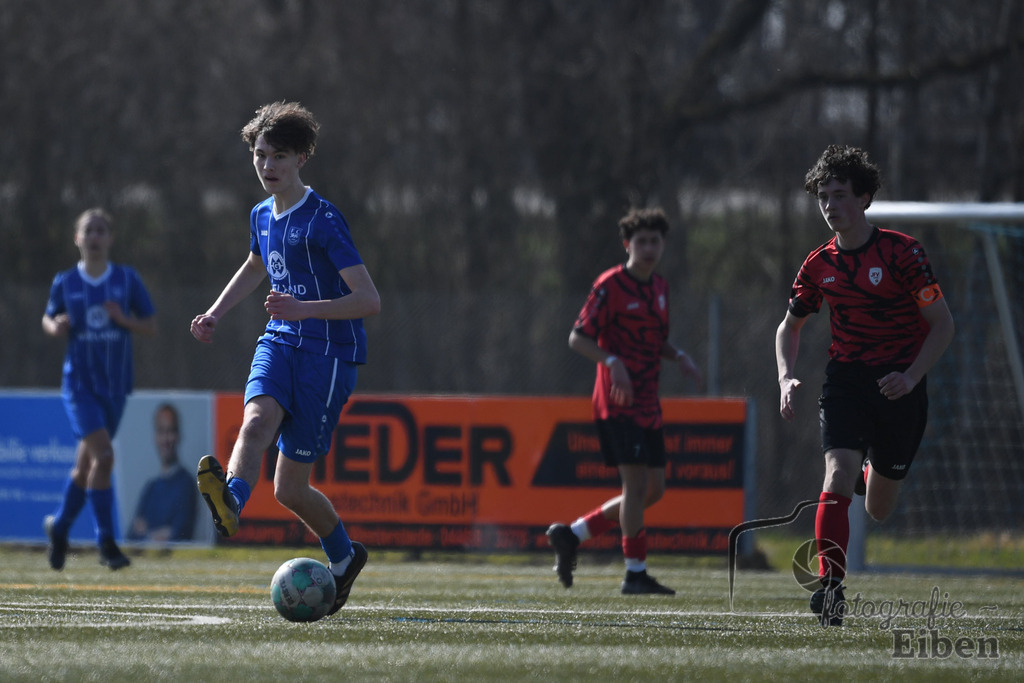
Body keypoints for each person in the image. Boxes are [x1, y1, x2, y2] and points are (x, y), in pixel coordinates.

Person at [191, 101, 380, 615]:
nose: (266, 165)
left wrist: (302, 307)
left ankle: (344, 558)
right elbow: (255, 265)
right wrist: (215, 313)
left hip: (328, 354)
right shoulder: (259, 215)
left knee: (290, 490)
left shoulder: (323, 219)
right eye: (259, 154)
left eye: (278, 155)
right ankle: (229, 501)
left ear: (301, 158)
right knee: (254, 421)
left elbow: (368, 300)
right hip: (279, 340)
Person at [775, 145, 955, 626]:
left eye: (839, 195)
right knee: (835, 475)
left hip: (901, 380)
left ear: (865, 199)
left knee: (878, 508)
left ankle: (873, 469)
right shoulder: (818, 265)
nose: (830, 206)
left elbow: (942, 326)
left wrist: (912, 375)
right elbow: (788, 328)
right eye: (823, 198)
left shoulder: (903, 252)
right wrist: (785, 376)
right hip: (847, 380)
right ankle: (830, 586)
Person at [546, 207, 703, 595]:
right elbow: (578, 337)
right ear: (627, 244)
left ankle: (573, 534)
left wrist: (678, 355)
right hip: (617, 402)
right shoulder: (610, 285)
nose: (649, 247)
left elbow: (653, 339)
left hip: (648, 402)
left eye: (655, 240)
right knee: (635, 487)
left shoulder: (660, 288)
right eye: (642, 241)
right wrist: (611, 361)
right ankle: (635, 573)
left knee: (655, 489)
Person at [41, 207, 157, 571]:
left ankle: (59, 528)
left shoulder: (126, 279)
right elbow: (48, 318)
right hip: (79, 385)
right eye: (87, 231)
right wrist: (55, 326)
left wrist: (124, 320)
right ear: (77, 238)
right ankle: (106, 543)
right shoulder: (65, 282)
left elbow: (151, 325)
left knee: (88, 465)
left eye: (100, 230)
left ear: (110, 239)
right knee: (105, 457)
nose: (94, 237)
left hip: (116, 386)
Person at [128, 404, 197, 543]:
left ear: (178, 435)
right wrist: (156, 536)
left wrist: (147, 534)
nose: (166, 439)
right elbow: (131, 536)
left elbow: (179, 535)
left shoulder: (187, 485)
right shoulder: (151, 488)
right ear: (155, 436)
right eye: (161, 431)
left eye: (170, 431)